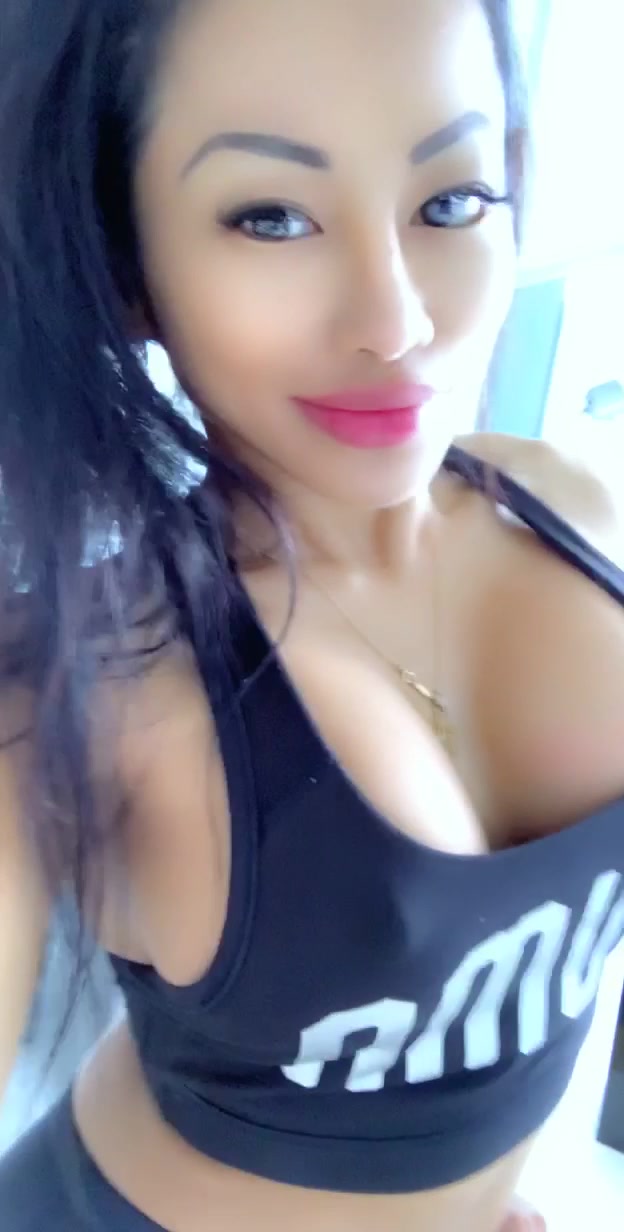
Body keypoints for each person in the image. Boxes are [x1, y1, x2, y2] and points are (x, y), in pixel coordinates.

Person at [1, 1, 623, 1229]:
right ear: (128, 259)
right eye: (271, 217)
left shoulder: (574, 510)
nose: (398, 323)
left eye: (452, 199)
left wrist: (512, 1178)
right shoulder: (84, 679)